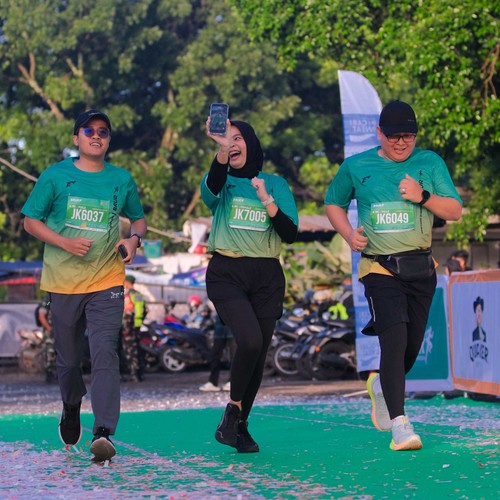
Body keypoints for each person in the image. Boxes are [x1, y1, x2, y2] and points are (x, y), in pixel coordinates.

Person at [325, 100, 462, 451]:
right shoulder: (357, 166)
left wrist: (423, 195)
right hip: (379, 267)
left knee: (411, 348)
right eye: (394, 136)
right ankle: (400, 425)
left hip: (421, 267)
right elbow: (333, 202)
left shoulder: (430, 162)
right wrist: (348, 234)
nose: (401, 142)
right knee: (395, 339)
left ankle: (381, 386)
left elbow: (454, 210)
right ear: (379, 133)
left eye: (408, 136)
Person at [21, 109, 147, 463]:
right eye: (88, 130)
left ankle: (103, 432)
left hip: (107, 279)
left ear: (108, 140)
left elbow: (138, 220)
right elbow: (30, 221)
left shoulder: (121, 179)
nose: (96, 136)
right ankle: (71, 404)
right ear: (76, 138)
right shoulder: (55, 176)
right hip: (63, 282)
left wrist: (133, 240)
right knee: (69, 360)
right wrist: (64, 242)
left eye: (103, 131)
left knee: (106, 350)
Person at [202, 117, 298, 453]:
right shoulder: (222, 182)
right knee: (250, 340)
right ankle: (233, 410)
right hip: (227, 272)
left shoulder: (276, 184)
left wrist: (267, 199)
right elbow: (211, 187)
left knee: (257, 356)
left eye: (238, 137)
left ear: (251, 143)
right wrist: (221, 152)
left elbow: (290, 233)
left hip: (267, 276)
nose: (233, 143)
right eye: (227, 138)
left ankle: (239, 426)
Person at [199, 312, 237, 392]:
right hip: (220, 326)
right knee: (215, 354)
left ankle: (233, 381)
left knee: (234, 355)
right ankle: (213, 382)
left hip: (233, 324)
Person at [120, 274, 147, 382]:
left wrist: (135, 323)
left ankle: (135, 374)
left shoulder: (132, 295)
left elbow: (138, 310)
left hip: (130, 326)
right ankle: (137, 373)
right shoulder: (136, 294)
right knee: (134, 349)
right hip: (132, 326)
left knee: (131, 350)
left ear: (127, 282)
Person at [36, 294, 57, 383]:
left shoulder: (61, 298)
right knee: (50, 351)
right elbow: (41, 316)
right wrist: (50, 329)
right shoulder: (48, 300)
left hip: (59, 331)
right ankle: (49, 373)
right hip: (50, 332)